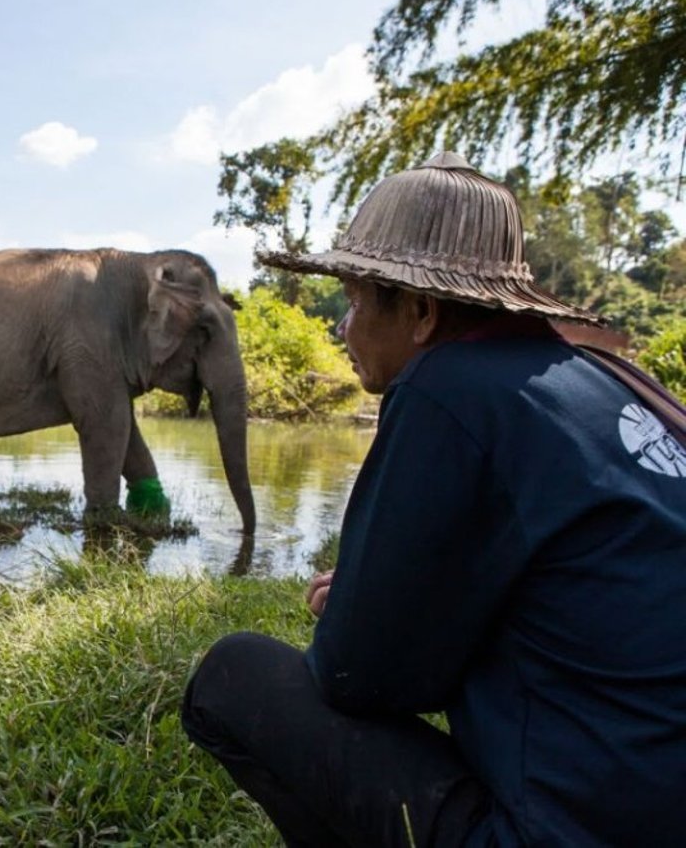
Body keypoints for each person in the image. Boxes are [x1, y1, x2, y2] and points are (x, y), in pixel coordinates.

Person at [180, 151, 686, 846]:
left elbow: (357, 676)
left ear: (420, 311)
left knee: (232, 676)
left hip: (567, 830)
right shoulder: (618, 381)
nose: (342, 326)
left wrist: (363, 606)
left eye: (355, 300)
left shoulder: (446, 386)